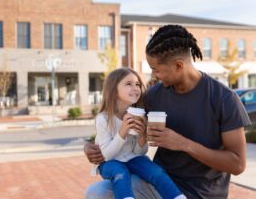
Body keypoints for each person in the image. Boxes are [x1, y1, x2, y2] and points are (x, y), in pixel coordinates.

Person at [84, 25, 251, 199]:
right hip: (158, 182)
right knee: (97, 193)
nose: (153, 75)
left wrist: (183, 144)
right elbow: (114, 122)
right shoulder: (153, 96)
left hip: (203, 193)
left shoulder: (224, 99)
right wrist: (89, 146)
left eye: (156, 69)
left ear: (178, 65)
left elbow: (237, 164)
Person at [91, 68, 186, 199]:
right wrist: (122, 131)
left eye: (137, 84)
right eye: (128, 84)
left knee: (155, 170)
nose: (135, 88)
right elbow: (107, 155)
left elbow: (139, 153)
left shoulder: (137, 114)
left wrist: (142, 136)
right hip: (109, 163)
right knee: (120, 172)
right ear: (113, 90)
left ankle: (177, 196)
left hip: (132, 158)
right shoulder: (103, 119)